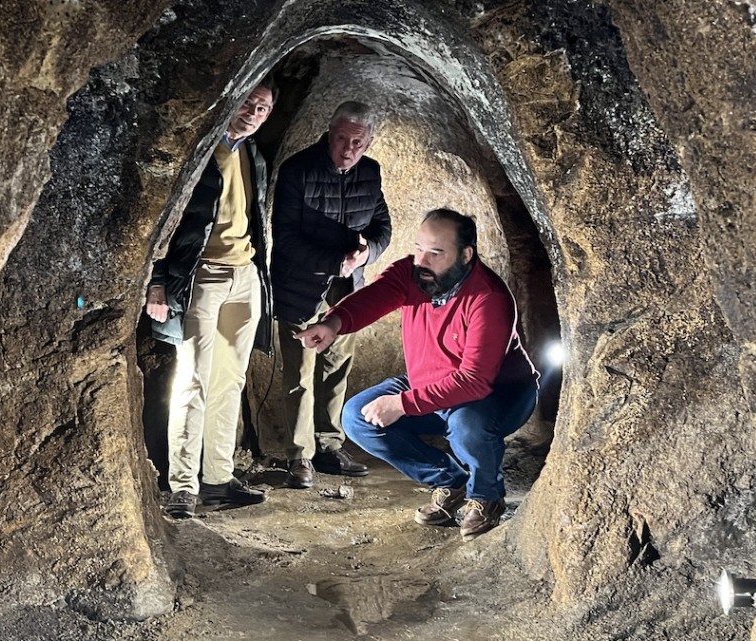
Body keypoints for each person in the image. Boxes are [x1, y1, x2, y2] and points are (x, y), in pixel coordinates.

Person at [294, 209, 539, 540]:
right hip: (433, 383)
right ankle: (450, 481)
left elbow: (474, 380)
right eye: (419, 248)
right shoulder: (415, 275)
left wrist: (403, 404)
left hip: (498, 392)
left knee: (467, 426)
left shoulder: (489, 298)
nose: (421, 260)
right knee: (356, 417)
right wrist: (332, 323)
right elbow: (375, 296)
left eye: (435, 252)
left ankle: (487, 496)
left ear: (465, 255)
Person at [144, 81, 276, 519]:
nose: (253, 113)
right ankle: (182, 485)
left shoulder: (252, 154)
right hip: (203, 275)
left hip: (245, 276)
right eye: (248, 103)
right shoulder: (200, 151)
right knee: (192, 381)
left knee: (229, 382)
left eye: (263, 108)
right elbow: (162, 216)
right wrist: (157, 281)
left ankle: (218, 478)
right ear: (232, 99)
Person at [271, 101, 392, 489]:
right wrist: (332, 260)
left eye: (357, 142)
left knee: (337, 367)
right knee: (300, 374)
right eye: (342, 138)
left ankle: (328, 445)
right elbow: (285, 237)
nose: (348, 148)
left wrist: (367, 252)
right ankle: (298, 456)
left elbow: (382, 227)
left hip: (345, 294)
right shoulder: (298, 170)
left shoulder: (370, 174)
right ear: (329, 132)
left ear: (368, 141)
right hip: (301, 287)